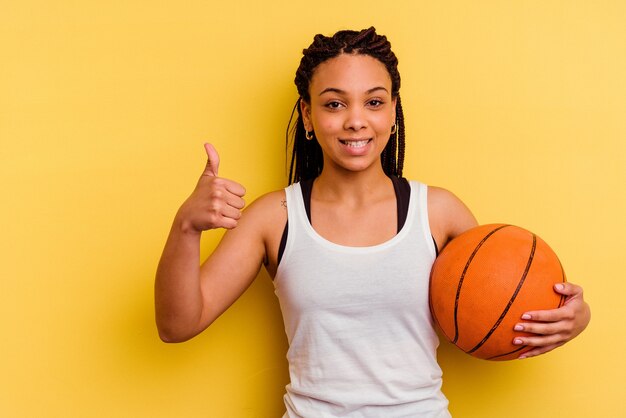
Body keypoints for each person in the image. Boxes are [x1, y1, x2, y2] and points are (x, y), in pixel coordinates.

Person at [155, 27, 590, 417]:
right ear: (308, 115)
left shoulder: (437, 212)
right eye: (334, 103)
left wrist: (572, 318)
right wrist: (186, 227)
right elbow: (177, 326)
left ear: (393, 111)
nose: (356, 119)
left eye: (374, 101)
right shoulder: (274, 217)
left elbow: (496, 311)